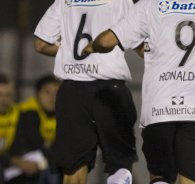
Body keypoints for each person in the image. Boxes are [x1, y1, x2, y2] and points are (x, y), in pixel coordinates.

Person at [82, 0, 195, 183]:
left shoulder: (150, 4)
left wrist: (93, 46)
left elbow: (106, 41)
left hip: (160, 111)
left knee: (161, 176)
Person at [33, 0, 138, 184]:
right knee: (120, 164)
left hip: (72, 92)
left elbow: (41, 44)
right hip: (109, 89)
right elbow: (140, 43)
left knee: (73, 169)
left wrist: (67, 52)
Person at [0, 73, 44, 184]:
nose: (4, 100)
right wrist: (13, 161)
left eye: (8, 95)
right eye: (0, 95)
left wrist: (28, 163)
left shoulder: (20, 115)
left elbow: (26, 144)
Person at [19, 74, 62, 184]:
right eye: (47, 92)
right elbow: (34, 145)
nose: (52, 98)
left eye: (56, 93)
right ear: (37, 94)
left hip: (44, 163)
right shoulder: (28, 113)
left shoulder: (62, 116)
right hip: (21, 165)